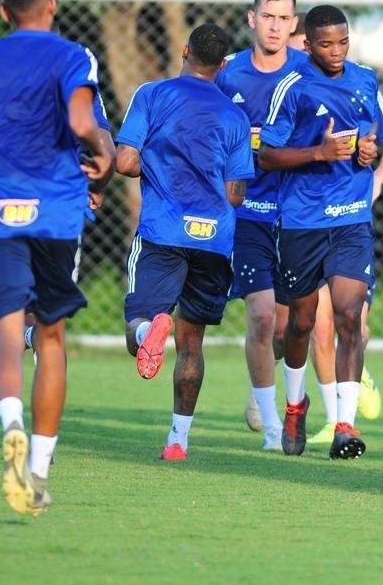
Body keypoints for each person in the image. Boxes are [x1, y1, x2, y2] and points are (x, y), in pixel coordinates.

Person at [0, 0, 115, 514]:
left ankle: (11, 426)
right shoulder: (72, 56)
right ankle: (38, 471)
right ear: (50, 4)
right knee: (48, 337)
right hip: (54, 210)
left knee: (5, 328)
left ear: (5, 10)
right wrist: (101, 152)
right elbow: (82, 121)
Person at [259, 5, 383, 459]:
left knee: (349, 316)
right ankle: (295, 405)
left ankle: (344, 424)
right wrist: (319, 153)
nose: (336, 52)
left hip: (352, 217)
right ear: (307, 44)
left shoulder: (364, 79)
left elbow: (380, 132)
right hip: (302, 220)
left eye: (343, 42)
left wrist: (367, 152)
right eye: (326, 44)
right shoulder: (293, 87)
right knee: (299, 325)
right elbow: (267, 156)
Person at [117, 23, 253, 460]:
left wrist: (157, 168)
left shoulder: (153, 95)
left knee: (137, 322)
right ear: (224, 64)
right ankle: (178, 440)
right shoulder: (234, 115)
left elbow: (124, 161)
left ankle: (148, 330)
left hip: (164, 231)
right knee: (192, 344)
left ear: (184, 51)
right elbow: (235, 194)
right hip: (213, 239)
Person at [215, 0, 308, 451]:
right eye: (266, 16)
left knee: (293, 324)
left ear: (295, 24)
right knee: (263, 316)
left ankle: (273, 388)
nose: (274, 26)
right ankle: (272, 423)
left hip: (297, 215)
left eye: (283, 18)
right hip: (248, 213)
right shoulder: (226, 73)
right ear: (252, 19)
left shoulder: (310, 73)